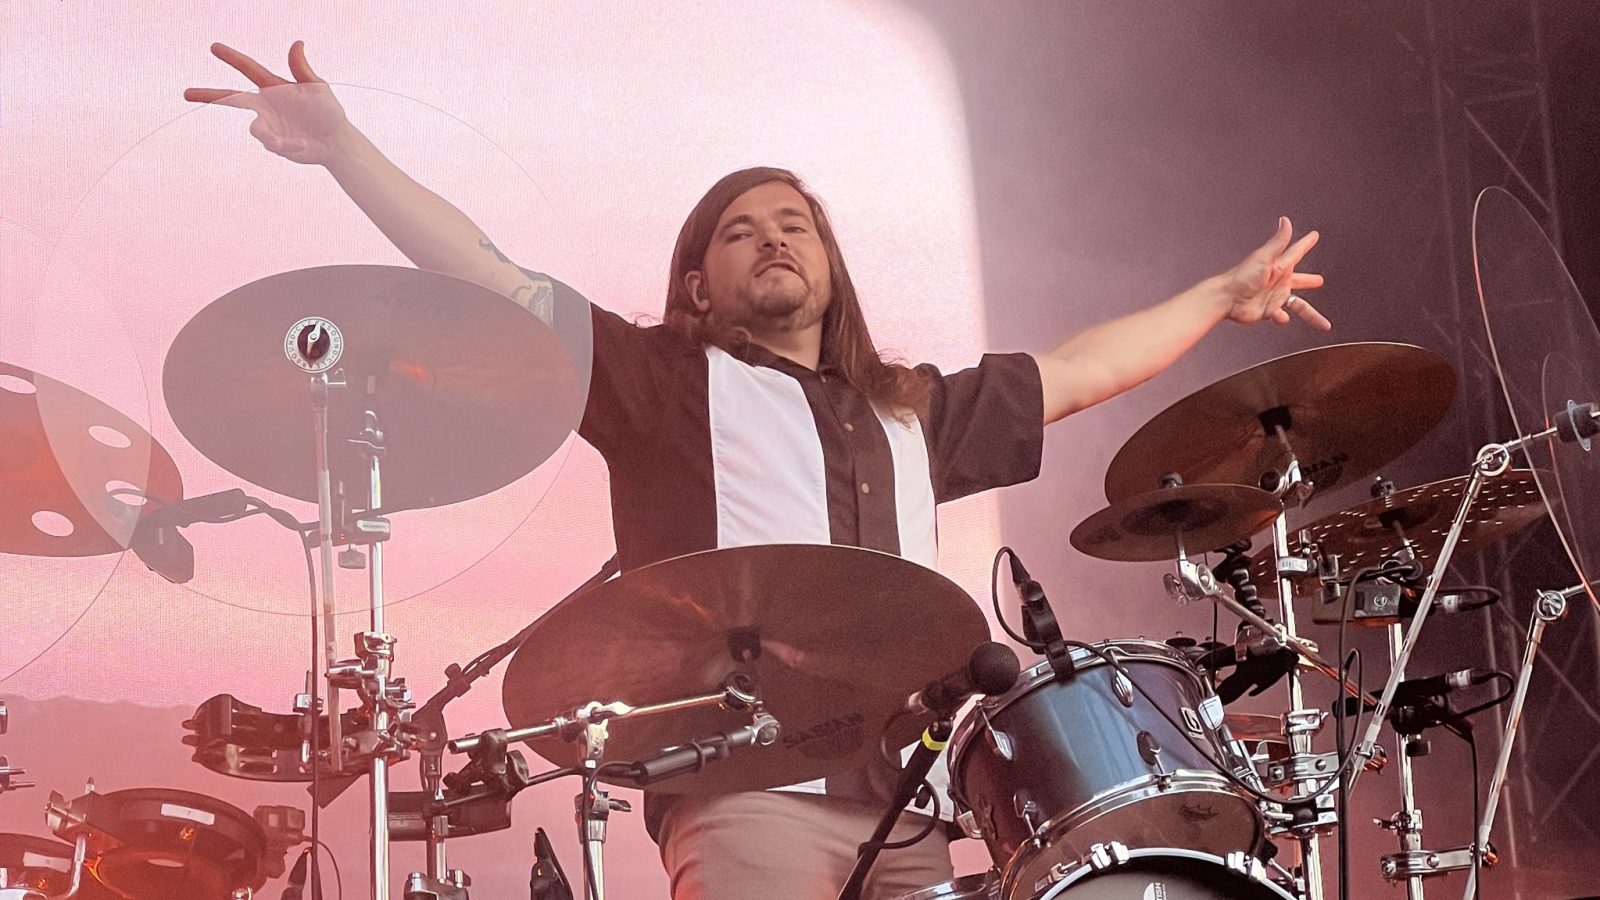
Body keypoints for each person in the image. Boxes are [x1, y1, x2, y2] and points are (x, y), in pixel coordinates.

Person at [186, 41, 1329, 900]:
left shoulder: (909, 408)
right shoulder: (655, 384)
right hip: (744, 805)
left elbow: (1077, 368)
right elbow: (484, 271)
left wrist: (1222, 300)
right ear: (696, 284)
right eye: (738, 230)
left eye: (795, 222)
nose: (772, 236)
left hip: (912, 806)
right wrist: (342, 148)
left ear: (830, 266)